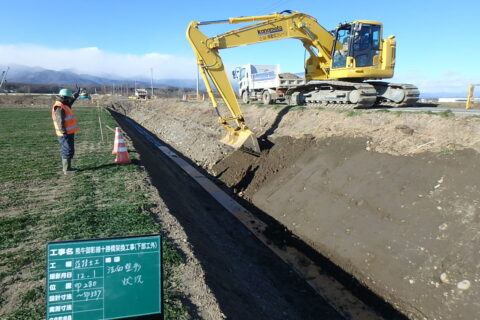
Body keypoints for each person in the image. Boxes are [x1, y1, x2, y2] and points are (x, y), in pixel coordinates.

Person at [52, 88, 80, 174]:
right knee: (67, 150)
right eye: (69, 98)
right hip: (64, 133)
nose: (70, 99)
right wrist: (63, 131)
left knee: (69, 149)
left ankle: (68, 167)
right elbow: (60, 121)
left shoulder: (64, 104)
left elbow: (70, 102)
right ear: (64, 97)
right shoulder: (59, 107)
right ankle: (67, 169)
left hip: (68, 132)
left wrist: (75, 95)